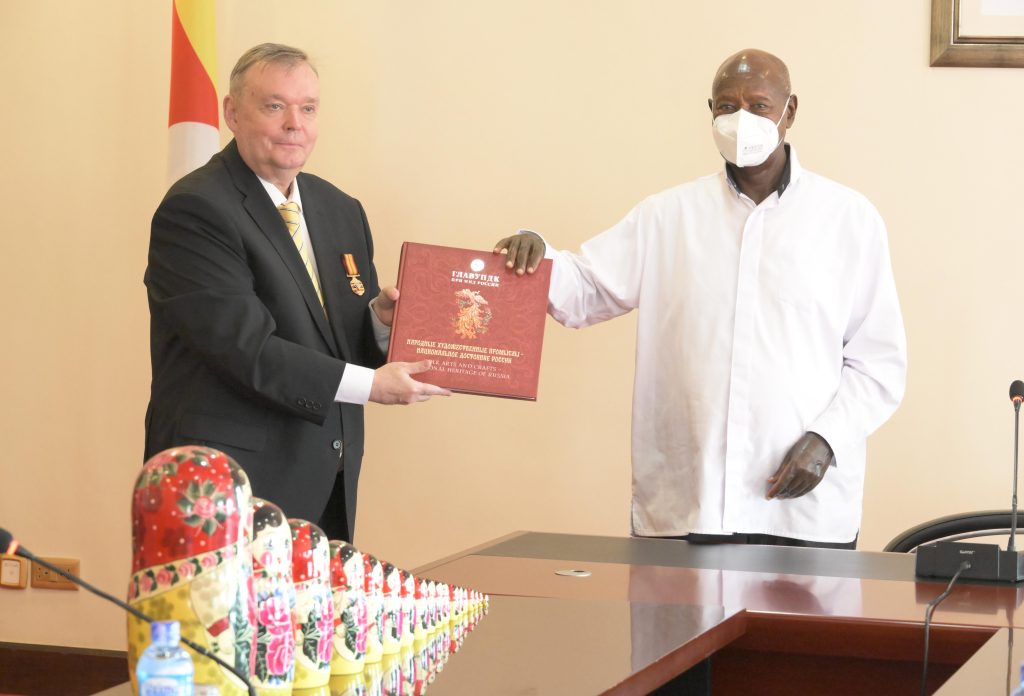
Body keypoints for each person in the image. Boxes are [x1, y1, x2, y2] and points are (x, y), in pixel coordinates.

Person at [495, 49, 907, 549]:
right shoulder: (667, 216)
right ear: (709, 111)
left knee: (800, 631)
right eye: (726, 106)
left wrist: (827, 441)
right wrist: (536, 257)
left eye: (758, 105)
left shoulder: (848, 220)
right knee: (675, 630)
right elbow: (586, 290)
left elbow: (879, 365)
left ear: (789, 112)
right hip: (690, 502)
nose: (741, 120)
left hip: (801, 509)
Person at [145, 43, 448, 543]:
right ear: (231, 113)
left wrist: (380, 321)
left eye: (308, 108)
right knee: (221, 625)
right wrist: (373, 387)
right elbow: (247, 351)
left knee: (309, 625)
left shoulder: (339, 209)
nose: (295, 124)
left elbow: (335, 342)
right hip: (227, 487)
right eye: (274, 106)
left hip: (326, 477)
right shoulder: (196, 210)